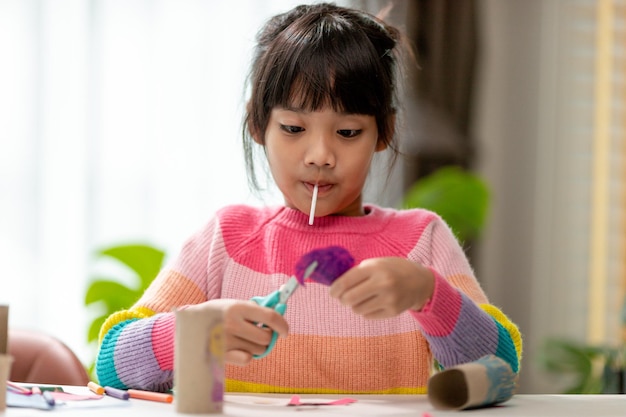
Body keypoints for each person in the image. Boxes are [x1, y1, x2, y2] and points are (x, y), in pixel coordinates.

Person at [95, 2, 522, 394]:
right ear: (258, 125)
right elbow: (111, 366)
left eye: (348, 132)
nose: (320, 156)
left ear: (384, 132)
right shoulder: (226, 239)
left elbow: (500, 369)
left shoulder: (421, 241)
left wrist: (429, 293)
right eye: (294, 129)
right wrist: (193, 331)